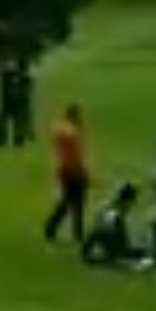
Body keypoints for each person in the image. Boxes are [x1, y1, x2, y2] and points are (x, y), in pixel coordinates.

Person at [42, 104, 89, 246]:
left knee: (66, 202)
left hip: (62, 169)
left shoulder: (59, 129)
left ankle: (51, 227)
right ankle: (77, 234)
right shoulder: (72, 133)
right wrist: (84, 171)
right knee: (77, 204)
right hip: (74, 170)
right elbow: (77, 154)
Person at [83, 180, 144, 267]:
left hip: (97, 253)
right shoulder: (114, 216)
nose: (133, 205)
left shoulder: (109, 210)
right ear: (126, 201)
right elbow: (118, 248)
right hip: (100, 256)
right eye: (132, 201)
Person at [0, 58, 34, 148]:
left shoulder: (22, 76)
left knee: (18, 119)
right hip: (9, 98)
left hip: (16, 98)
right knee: (8, 118)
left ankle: (17, 139)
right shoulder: (6, 76)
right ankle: (3, 139)